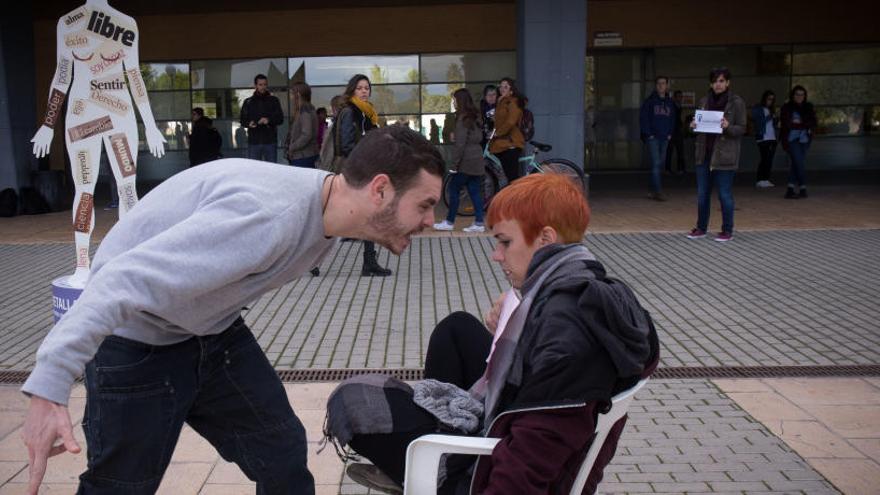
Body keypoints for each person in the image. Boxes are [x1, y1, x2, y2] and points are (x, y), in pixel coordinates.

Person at [20, 125, 445, 495]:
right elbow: (116, 282)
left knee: (282, 454)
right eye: (424, 204)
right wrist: (49, 384)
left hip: (212, 335)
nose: (430, 220)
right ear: (380, 189)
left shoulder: (329, 220)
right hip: (136, 340)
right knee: (122, 484)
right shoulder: (266, 219)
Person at [327, 173, 659, 495]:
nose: (496, 255)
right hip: (512, 422)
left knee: (355, 398)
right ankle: (430, 449)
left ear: (545, 239)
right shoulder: (589, 287)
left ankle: (434, 470)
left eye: (505, 242)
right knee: (456, 329)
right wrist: (519, 308)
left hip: (489, 470)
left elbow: (536, 451)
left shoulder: (566, 336)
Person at [334, 74, 393, 276]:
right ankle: (309, 260)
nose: (364, 91)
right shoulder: (351, 112)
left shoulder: (367, 113)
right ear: (353, 90)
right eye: (360, 88)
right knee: (336, 215)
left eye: (367, 87)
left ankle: (369, 262)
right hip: (357, 169)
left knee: (370, 213)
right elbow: (346, 144)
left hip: (366, 168)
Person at [687, 67, 747, 242]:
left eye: (721, 81)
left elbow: (742, 129)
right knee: (702, 194)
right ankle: (701, 228)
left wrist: (728, 126)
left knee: (724, 194)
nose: (718, 84)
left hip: (724, 156)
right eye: (715, 81)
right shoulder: (704, 101)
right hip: (704, 154)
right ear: (710, 83)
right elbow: (697, 128)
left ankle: (727, 230)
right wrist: (692, 126)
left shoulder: (736, 102)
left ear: (728, 83)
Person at [433, 89, 486, 233]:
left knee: (453, 189)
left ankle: (449, 222)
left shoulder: (462, 118)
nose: (453, 102)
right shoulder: (475, 117)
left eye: (455, 100)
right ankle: (479, 223)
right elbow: (477, 138)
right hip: (477, 158)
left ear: (460, 101)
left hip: (466, 161)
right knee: (474, 191)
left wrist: (454, 164)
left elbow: (460, 144)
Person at [640, 76, 677, 201]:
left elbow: (673, 119)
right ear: (656, 86)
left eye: (663, 83)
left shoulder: (670, 103)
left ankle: (652, 190)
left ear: (667, 86)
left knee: (659, 164)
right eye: (659, 83)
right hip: (653, 137)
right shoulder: (650, 102)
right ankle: (658, 191)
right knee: (656, 163)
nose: (661, 86)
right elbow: (644, 118)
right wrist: (648, 134)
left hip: (665, 137)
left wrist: (670, 133)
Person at [779, 85, 816, 199]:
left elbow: (813, 122)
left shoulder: (808, 107)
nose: (799, 97)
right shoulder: (787, 107)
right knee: (799, 162)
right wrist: (804, 124)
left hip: (805, 139)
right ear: (793, 95)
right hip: (792, 139)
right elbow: (788, 124)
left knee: (796, 163)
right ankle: (803, 187)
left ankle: (790, 189)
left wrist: (799, 123)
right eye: (797, 94)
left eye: (802, 94)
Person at [239, 73, 284, 163]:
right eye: (260, 85)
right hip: (254, 142)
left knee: (271, 169)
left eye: (265, 84)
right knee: (255, 170)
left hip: (270, 141)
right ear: (255, 86)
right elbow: (242, 120)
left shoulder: (274, 100)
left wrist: (268, 120)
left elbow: (280, 119)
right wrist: (249, 124)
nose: (263, 87)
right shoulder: (248, 102)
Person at [489, 77, 526, 183]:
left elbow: (510, 122)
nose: (502, 89)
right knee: (510, 176)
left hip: (511, 142)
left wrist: (498, 133)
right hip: (505, 141)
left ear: (511, 90)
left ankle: (519, 197)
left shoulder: (512, 102)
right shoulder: (502, 101)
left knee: (512, 178)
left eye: (506, 87)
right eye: (500, 86)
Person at [284, 82, 319, 168]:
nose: (291, 97)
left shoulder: (305, 109)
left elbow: (307, 134)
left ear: (298, 94)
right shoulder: (307, 108)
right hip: (305, 155)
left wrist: (292, 147)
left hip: (303, 156)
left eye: (292, 93)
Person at [752, 90, 779, 188]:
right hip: (763, 137)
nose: (770, 101)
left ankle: (766, 179)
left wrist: (775, 118)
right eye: (769, 99)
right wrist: (769, 117)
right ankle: (760, 179)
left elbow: (774, 124)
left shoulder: (772, 110)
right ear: (764, 99)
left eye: (772, 99)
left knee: (769, 160)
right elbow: (758, 122)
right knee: (764, 159)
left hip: (772, 137)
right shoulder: (758, 108)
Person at [665, 90, 686, 175]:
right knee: (670, 150)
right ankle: (668, 169)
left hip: (677, 130)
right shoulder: (672, 106)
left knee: (679, 150)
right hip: (672, 130)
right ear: (674, 97)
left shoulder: (679, 106)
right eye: (678, 97)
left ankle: (679, 169)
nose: (680, 98)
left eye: (681, 97)